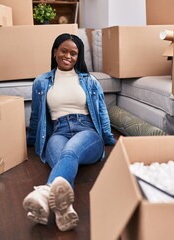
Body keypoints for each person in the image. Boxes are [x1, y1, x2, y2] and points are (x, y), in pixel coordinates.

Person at [22, 33, 116, 231]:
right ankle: (64, 210)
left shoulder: (89, 81)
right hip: (59, 131)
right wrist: (31, 142)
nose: (68, 56)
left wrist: (109, 140)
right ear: (55, 51)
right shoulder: (41, 82)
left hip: (87, 131)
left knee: (69, 153)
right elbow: (37, 115)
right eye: (64, 51)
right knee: (60, 156)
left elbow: (101, 111)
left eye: (74, 53)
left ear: (78, 57)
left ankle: (44, 193)